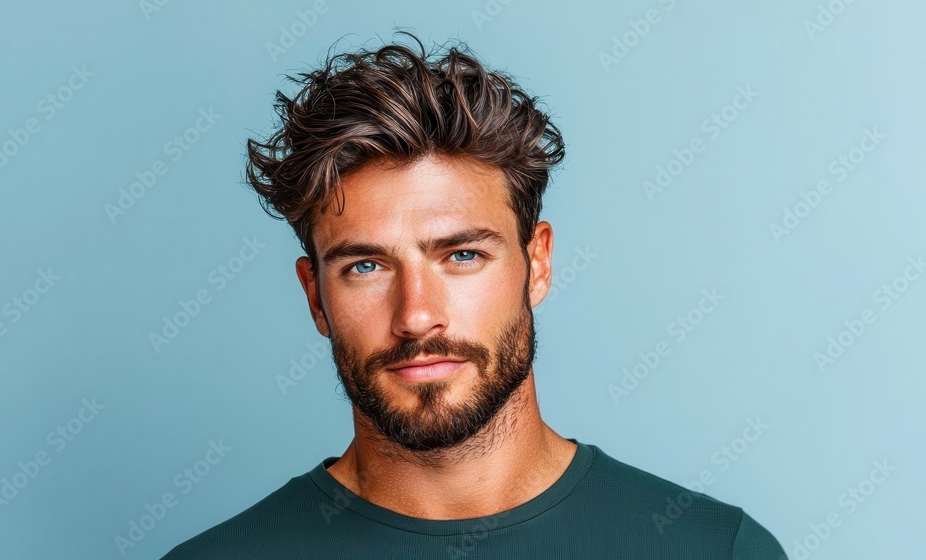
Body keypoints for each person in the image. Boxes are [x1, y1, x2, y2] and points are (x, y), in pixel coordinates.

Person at [162, 31, 787, 559]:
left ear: (537, 264)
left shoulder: (713, 548)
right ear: (316, 297)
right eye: (365, 266)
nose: (416, 316)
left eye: (462, 255)